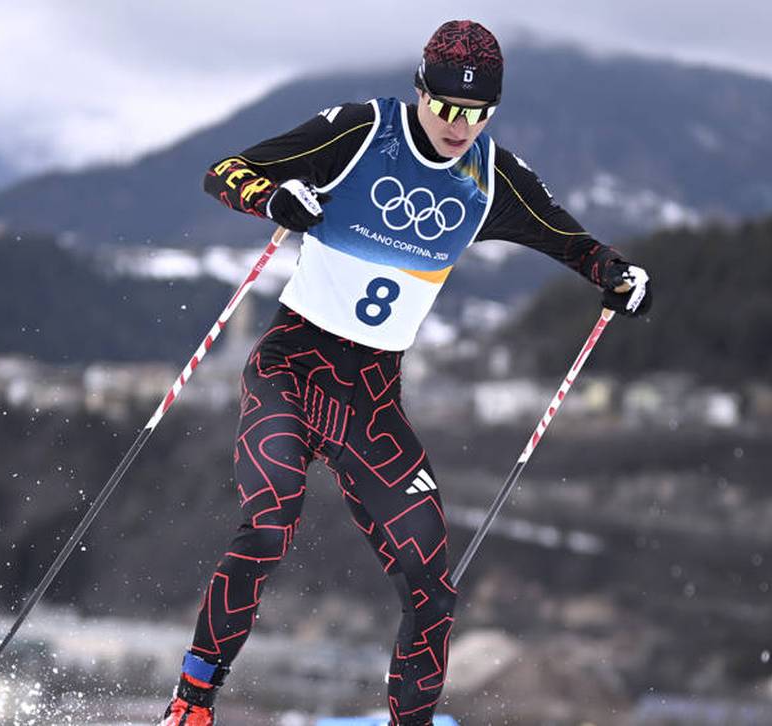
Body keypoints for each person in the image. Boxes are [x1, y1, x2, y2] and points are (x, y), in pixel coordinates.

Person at [161, 19, 649, 726]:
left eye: (478, 113)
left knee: (433, 588)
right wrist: (275, 199)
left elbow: (571, 240)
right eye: (448, 107)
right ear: (421, 91)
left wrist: (618, 276)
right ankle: (192, 702)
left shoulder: (491, 179)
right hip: (291, 371)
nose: (460, 126)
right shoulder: (360, 132)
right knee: (270, 524)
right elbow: (225, 172)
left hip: (371, 401)